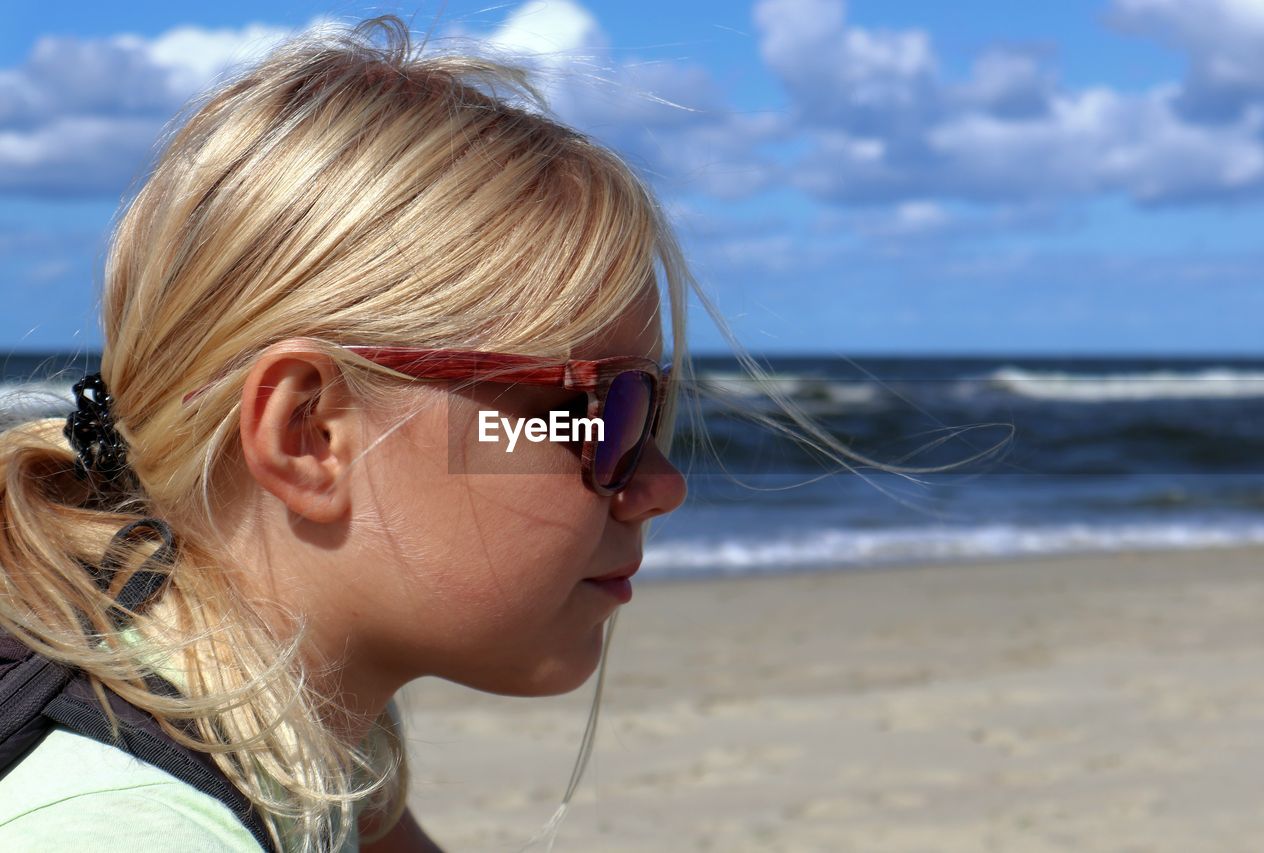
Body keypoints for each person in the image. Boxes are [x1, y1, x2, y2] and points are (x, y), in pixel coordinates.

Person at [0, 13, 931, 853]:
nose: (659, 483)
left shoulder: (288, 711)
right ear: (310, 432)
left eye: (655, 405)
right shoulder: (124, 824)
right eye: (600, 409)